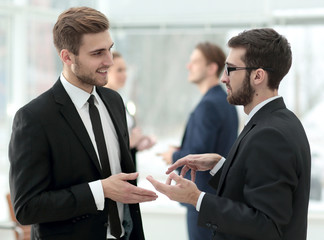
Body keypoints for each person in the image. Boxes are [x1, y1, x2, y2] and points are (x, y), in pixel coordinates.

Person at [8, 7, 158, 240]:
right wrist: (101, 190)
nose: (109, 61)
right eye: (97, 53)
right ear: (67, 57)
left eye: (110, 49)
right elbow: (27, 207)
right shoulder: (34, 118)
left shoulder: (114, 101)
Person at [147, 28, 311, 240]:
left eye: (231, 69)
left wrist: (197, 198)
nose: (224, 78)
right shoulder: (278, 121)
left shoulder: (270, 134)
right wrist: (220, 166)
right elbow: (256, 185)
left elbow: (266, 225)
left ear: (258, 76)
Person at [159, 42, 238, 240]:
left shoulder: (208, 105)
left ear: (212, 68)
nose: (188, 66)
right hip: (218, 198)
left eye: (195, 61)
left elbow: (197, 155)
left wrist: (173, 155)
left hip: (202, 199)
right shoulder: (225, 102)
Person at [105, 51, 156, 169]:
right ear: (105, 71)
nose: (125, 75)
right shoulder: (100, 104)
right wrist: (130, 143)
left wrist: (140, 140)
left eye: (125, 70)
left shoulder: (119, 101)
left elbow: (125, 136)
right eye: (119, 70)